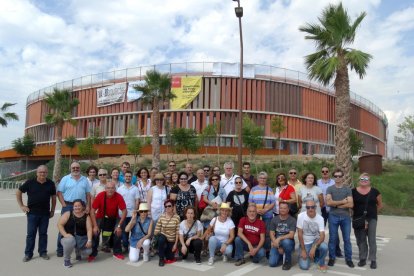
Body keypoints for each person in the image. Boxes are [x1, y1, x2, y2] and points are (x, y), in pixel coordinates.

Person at [16, 165, 56, 262]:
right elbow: (18, 192)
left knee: (43, 234)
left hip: (45, 214)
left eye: (44, 172)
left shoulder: (50, 183)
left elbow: (54, 198)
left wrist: (52, 210)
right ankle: (28, 254)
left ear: (47, 173)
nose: (42, 174)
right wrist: (22, 206)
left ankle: (43, 252)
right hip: (32, 214)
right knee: (31, 235)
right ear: (37, 173)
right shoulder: (30, 182)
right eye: (40, 172)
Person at [56, 161, 91, 257]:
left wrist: (88, 206)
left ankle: (78, 248)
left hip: (81, 206)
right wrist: (63, 204)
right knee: (63, 227)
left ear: (80, 168)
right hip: (68, 206)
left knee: (81, 228)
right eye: (73, 168)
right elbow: (59, 192)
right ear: (70, 169)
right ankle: (60, 249)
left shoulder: (84, 180)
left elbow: (88, 194)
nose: (75, 169)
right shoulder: (65, 179)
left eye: (77, 167)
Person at [89, 182, 127, 261]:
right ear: (105, 189)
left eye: (112, 188)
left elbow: (124, 211)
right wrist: (95, 226)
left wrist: (119, 226)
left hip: (114, 217)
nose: (110, 190)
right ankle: (93, 253)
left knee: (118, 232)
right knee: (95, 233)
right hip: (101, 217)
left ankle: (117, 252)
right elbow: (92, 211)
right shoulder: (100, 196)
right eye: (108, 188)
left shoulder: (118, 196)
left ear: (115, 189)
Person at [352, 173, 382, 269]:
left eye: (366, 179)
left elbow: (380, 205)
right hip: (358, 218)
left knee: (372, 239)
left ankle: (373, 259)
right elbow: (351, 205)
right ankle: (362, 258)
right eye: (362, 178)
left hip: (371, 218)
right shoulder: (353, 191)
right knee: (361, 239)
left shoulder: (375, 191)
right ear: (359, 180)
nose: (364, 180)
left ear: (369, 181)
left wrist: (373, 214)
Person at [326, 169, 354, 268]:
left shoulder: (347, 189)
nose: (338, 178)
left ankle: (349, 259)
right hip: (333, 216)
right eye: (336, 176)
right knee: (332, 239)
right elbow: (328, 203)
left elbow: (351, 204)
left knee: (347, 239)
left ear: (343, 177)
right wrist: (343, 201)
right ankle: (332, 258)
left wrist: (336, 204)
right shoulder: (330, 189)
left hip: (345, 217)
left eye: (339, 176)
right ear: (333, 177)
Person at [57, 199, 93, 268]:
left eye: (79, 206)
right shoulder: (68, 214)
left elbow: (89, 229)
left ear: (82, 206)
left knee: (89, 251)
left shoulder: (86, 216)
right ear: (73, 207)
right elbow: (59, 224)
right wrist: (65, 234)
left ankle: (78, 250)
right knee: (70, 240)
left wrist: (89, 240)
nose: (77, 207)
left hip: (81, 239)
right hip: (68, 238)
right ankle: (67, 260)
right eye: (75, 206)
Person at [297, 199, 328, 272]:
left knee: (324, 247)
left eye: (312, 207)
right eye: (308, 207)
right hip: (305, 243)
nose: (310, 209)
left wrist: (314, 247)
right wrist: (303, 250)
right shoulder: (300, 216)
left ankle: (321, 263)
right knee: (304, 266)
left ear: (315, 207)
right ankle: (302, 252)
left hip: (315, 241)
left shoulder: (320, 218)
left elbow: (322, 236)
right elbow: (299, 234)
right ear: (306, 208)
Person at [317, 166, 343, 257]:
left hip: (332, 208)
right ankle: (318, 249)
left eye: (326, 171)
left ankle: (337, 250)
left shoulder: (333, 182)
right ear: (321, 172)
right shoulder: (317, 182)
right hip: (321, 209)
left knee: (334, 231)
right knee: (319, 230)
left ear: (329, 172)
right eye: (323, 171)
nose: (325, 172)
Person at [248, 172, 275, 251]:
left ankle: (267, 249)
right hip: (255, 214)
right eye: (261, 178)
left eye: (264, 178)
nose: (262, 179)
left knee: (267, 233)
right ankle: (255, 248)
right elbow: (250, 202)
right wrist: (256, 210)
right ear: (258, 179)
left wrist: (265, 210)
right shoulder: (253, 189)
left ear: (266, 179)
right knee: (254, 231)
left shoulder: (269, 189)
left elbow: (273, 203)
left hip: (267, 214)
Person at [269, 201, 296, 270]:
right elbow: (271, 233)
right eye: (281, 208)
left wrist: (279, 239)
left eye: (284, 208)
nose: (282, 210)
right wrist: (277, 245)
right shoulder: (274, 219)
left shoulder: (292, 220)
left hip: (288, 242)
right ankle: (282, 254)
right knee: (272, 263)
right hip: (277, 243)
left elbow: (291, 235)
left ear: (288, 209)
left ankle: (287, 262)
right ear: (279, 209)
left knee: (286, 242)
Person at [117, 170, 139, 253]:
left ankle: (133, 247)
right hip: (122, 214)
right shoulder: (119, 189)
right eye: (126, 176)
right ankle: (125, 246)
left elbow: (137, 200)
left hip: (132, 214)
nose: (128, 178)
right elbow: (118, 201)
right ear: (124, 177)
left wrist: (135, 211)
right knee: (124, 232)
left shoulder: (135, 189)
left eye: (129, 176)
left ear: (132, 178)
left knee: (134, 231)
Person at [154, 199, 180, 267]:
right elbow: (156, 230)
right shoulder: (161, 216)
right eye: (166, 206)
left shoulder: (177, 217)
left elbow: (178, 232)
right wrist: (157, 238)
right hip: (163, 237)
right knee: (161, 239)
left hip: (172, 239)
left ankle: (163, 251)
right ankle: (161, 258)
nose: (167, 208)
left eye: (169, 206)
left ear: (173, 207)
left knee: (170, 257)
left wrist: (175, 244)